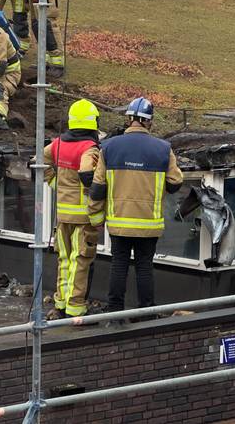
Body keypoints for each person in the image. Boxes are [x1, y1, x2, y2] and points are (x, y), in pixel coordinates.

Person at [88, 97, 183, 317]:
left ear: (129, 118)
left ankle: (115, 313)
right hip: (149, 224)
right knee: (144, 267)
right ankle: (146, 313)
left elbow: (98, 187)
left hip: (119, 222)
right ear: (149, 121)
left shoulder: (109, 147)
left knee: (118, 265)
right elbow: (175, 182)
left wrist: (95, 217)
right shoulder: (163, 149)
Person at [44, 99, 102, 319]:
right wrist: (93, 191)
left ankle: (60, 303)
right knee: (81, 261)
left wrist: (55, 183)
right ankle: (76, 307)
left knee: (64, 260)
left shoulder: (58, 144)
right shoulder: (89, 148)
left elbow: (39, 160)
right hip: (83, 218)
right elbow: (87, 172)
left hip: (62, 215)